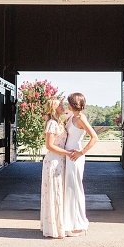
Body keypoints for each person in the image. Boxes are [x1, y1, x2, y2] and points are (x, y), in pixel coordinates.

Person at [63, 92, 98, 237]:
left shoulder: (81, 118)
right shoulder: (72, 117)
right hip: (68, 155)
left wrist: (81, 152)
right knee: (68, 187)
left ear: (72, 104)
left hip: (75, 157)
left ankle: (78, 224)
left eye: (68, 102)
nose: (67, 104)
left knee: (74, 187)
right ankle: (69, 222)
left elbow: (94, 137)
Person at [40, 98, 68, 238]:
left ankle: (58, 225)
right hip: (54, 161)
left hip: (60, 161)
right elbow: (49, 146)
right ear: (54, 108)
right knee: (54, 192)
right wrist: (68, 153)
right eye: (60, 104)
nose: (63, 106)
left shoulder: (59, 122)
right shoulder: (52, 123)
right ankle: (53, 228)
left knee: (58, 192)